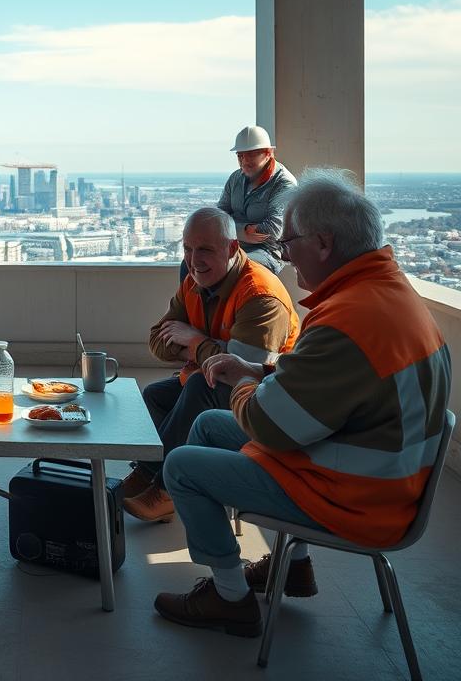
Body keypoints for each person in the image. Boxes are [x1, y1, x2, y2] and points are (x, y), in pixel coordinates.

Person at [154, 169, 451, 638]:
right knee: (210, 425)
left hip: (358, 498)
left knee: (184, 467)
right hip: (384, 473)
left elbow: (268, 425)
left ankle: (231, 599)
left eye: (288, 243)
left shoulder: (346, 321)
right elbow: (328, 390)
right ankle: (292, 565)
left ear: (325, 244)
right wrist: (260, 372)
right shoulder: (391, 296)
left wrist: (242, 382)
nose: (285, 257)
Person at [123, 207, 299, 522]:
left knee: (197, 386)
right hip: (217, 379)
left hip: (262, 397)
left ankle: (166, 490)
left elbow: (243, 369)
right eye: (188, 249)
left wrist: (192, 340)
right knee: (153, 395)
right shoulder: (195, 280)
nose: (193, 260)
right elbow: (157, 341)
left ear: (233, 249)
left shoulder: (260, 296)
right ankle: (150, 471)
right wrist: (201, 347)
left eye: (204, 249)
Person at [217, 125, 297, 273]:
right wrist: (244, 230)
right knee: (192, 263)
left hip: (267, 251)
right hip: (234, 245)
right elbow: (218, 218)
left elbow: (272, 230)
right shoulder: (235, 178)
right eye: (240, 156)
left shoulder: (284, 183)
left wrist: (231, 225)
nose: (244, 161)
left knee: (235, 268)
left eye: (251, 154)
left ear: (268, 153)